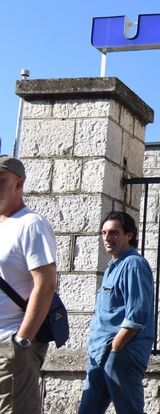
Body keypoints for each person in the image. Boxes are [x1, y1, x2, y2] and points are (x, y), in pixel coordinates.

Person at [79, 211, 155, 414]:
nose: (107, 238)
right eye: (104, 233)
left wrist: (116, 347)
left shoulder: (133, 265)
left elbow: (137, 314)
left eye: (114, 233)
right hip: (100, 355)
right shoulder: (114, 266)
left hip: (120, 355)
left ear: (129, 235)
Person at [0, 155, 58, 413]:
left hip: (10, 344)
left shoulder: (31, 224)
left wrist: (22, 340)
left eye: (0, 180)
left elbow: (45, 284)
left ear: (19, 184)